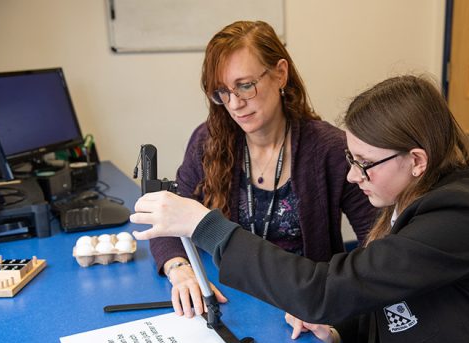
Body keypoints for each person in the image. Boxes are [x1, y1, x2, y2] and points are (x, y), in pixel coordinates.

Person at [132, 75, 469, 343]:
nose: (354, 176)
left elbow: (328, 290)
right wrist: (338, 334)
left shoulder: (456, 214)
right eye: (349, 159)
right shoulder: (408, 199)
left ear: (416, 159)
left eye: (365, 163)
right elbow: (395, 298)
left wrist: (206, 226)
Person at [149, 20, 377, 318]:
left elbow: (377, 245)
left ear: (280, 74)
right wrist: (179, 269)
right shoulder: (208, 141)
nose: (234, 104)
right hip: (231, 302)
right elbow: (168, 217)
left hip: (301, 309)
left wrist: (334, 319)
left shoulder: (330, 149)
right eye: (222, 92)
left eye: (245, 86)